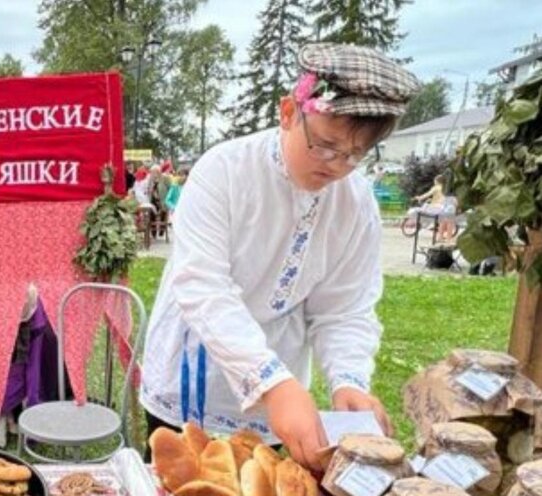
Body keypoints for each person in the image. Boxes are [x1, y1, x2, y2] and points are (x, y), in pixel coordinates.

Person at [139, 43, 419, 469]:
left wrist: (348, 379)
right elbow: (203, 285)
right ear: (288, 112)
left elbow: (345, 307)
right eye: (325, 145)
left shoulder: (356, 202)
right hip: (195, 374)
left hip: (280, 394)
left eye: (355, 154)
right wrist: (272, 383)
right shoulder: (224, 171)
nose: (337, 166)